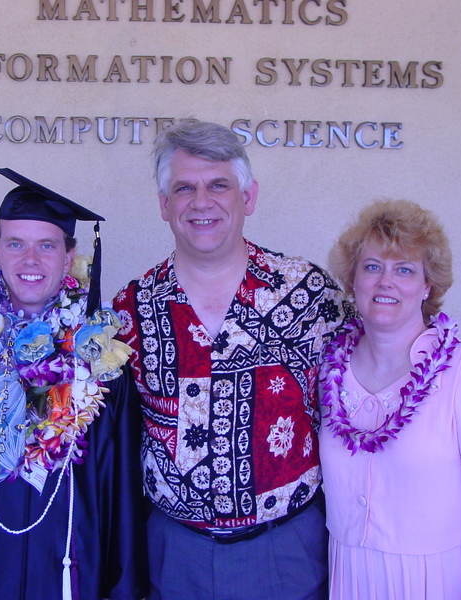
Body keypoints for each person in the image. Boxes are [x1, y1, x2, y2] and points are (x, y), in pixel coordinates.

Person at [112, 120, 349, 600]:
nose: (202, 202)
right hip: (175, 557)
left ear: (249, 196)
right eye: (184, 188)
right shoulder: (130, 309)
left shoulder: (309, 294)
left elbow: (352, 409)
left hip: (286, 553)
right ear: (163, 205)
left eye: (219, 184)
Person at [0, 168, 148, 600]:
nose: (30, 261)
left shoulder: (102, 364)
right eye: (15, 244)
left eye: (46, 246)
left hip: (72, 572)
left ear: (68, 255)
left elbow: (125, 498)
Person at [319, 199, 461, 600]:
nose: (386, 282)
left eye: (404, 270)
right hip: (353, 580)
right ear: (353, 280)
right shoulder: (330, 371)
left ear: (427, 285)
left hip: (443, 583)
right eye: (373, 266)